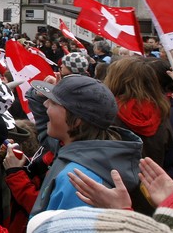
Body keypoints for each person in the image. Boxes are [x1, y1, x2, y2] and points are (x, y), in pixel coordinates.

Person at [27, 76, 144, 216]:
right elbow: (46, 132)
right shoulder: (87, 150)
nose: (45, 104)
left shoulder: (79, 181)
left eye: (53, 102)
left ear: (76, 121)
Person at [104, 56, 171, 166]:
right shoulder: (163, 109)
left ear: (115, 80)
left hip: (116, 178)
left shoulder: (107, 111)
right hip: (153, 177)